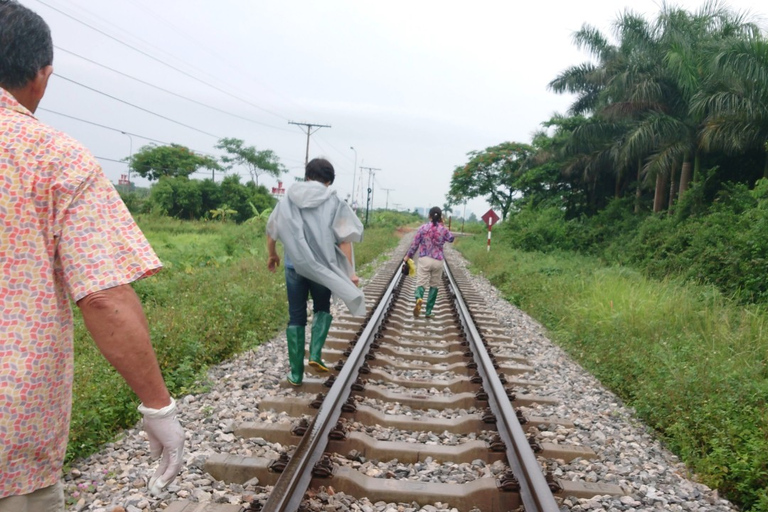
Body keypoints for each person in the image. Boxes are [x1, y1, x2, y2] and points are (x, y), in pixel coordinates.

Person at [0, 2, 184, 510]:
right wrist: (157, 407)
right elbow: (102, 295)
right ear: (43, 75)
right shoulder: (52, 156)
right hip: (9, 446)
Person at [266, 158, 365, 386]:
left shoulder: (288, 199)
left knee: (297, 316)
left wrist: (273, 255)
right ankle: (316, 354)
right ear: (329, 181)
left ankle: (296, 375)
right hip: (323, 269)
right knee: (322, 307)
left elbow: (272, 231)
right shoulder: (335, 201)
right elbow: (344, 240)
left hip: (294, 267)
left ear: (307, 176)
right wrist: (349, 272)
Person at [404, 207, 455, 318]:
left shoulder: (423, 228)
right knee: (434, 286)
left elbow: (414, 245)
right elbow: (451, 238)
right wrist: (444, 226)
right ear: (441, 217)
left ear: (429, 216)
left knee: (421, 283)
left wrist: (408, 257)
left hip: (425, 259)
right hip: (438, 261)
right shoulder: (443, 230)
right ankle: (428, 311)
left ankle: (419, 298)